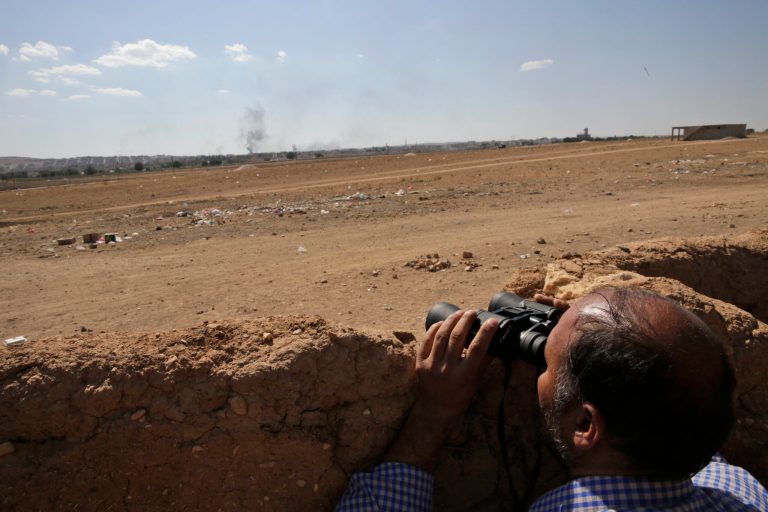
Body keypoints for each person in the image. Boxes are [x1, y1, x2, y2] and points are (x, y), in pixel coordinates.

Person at [336, 287, 768, 511]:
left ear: (585, 426)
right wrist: (580, 333)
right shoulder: (741, 492)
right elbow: (677, 408)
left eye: (545, 365)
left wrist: (433, 413)